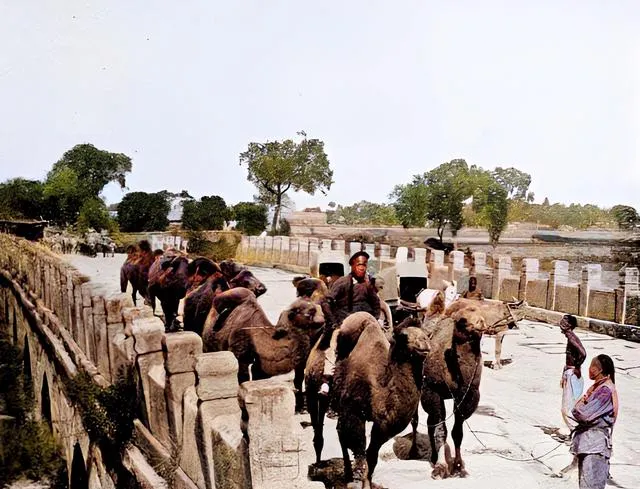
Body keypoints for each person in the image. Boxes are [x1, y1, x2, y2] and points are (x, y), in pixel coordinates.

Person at [317, 250, 381, 395]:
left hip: (365, 324)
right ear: (352, 265)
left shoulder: (368, 285)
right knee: (334, 344)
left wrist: (375, 319)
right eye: (359, 265)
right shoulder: (342, 283)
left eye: (364, 265)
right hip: (344, 323)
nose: (362, 268)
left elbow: (376, 304)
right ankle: (327, 379)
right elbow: (326, 303)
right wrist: (334, 323)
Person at [570, 354, 619, 489]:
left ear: (600, 369)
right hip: (588, 444)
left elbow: (582, 414)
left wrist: (581, 403)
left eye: (592, 366)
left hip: (595, 445)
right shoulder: (597, 388)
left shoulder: (605, 390)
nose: (589, 369)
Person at [560, 314, 587, 432]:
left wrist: (577, 367)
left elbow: (583, 353)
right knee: (568, 407)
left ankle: (574, 431)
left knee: (566, 409)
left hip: (572, 374)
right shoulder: (570, 337)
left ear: (570, 325)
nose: (562, 322)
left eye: (565, 321)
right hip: (569, 373)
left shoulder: (571, 338)